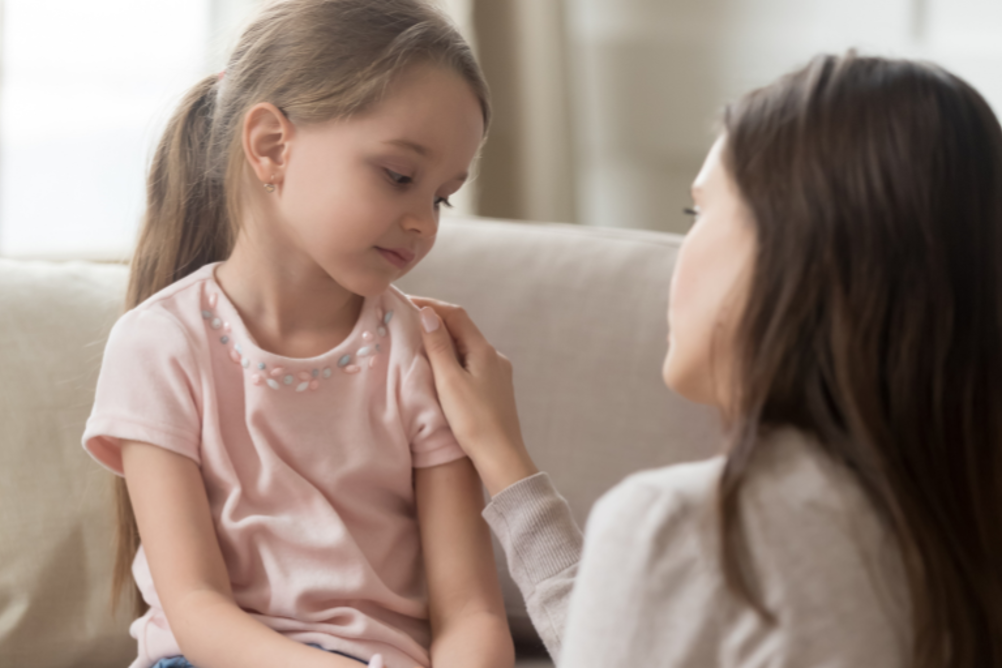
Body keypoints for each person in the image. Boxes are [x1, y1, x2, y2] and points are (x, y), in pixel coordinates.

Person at [414, 53, 1002, 667]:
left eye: (700, 213)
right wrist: (507, 463)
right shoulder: (960, 525)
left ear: (792, 251)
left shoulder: (685, 527)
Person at [80, 2, 513, 668]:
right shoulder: (159, 345)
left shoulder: (421, 353)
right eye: (400, 177)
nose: (424, 222)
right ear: (271, 146)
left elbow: (472, 613)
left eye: (442, 196)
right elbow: (196, 606)